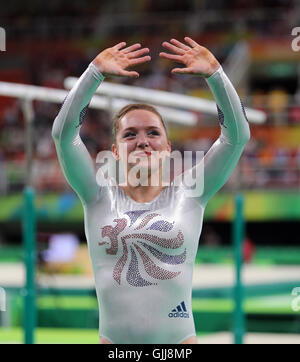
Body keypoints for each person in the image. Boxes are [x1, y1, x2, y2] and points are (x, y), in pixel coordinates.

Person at [52, 37, 250, 344]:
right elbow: (63, 137)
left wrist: (215, 74)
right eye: (130, 134)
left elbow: (236, 137)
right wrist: (93, 74)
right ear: (115, 151)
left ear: (168, 148)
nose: (143, 141)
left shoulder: (190, 194)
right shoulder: (96, 195)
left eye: (153, 133)